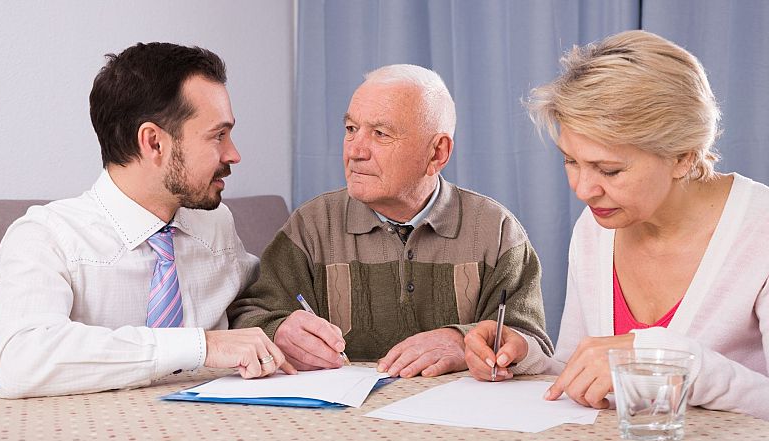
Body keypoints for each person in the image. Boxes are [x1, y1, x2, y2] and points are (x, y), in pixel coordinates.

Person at [464, 30, 769, 420]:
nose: (583, 190)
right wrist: (522, 356)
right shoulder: (596, 226)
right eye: (570, 161)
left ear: (682, 158)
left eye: (609, 169)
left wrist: (667, 359)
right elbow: (583, 375)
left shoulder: (760, 231)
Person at [0, 42, 295, 399]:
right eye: (218, 136)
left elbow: (251, 299)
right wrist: (200, 346)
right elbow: (19, 361)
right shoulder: (46, 237)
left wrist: (284, 325)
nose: (234, 154)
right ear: (153, 142)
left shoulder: (215, 225)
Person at [231, 64, 552, 378]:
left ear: (437, 153)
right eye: (351, 129)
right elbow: (247, 317)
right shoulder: (311, 227)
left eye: (380, 134)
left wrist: (462, 341)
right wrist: (278, 329)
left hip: (456, 424)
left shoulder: (495, 231)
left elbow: (533, 344)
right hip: (339, 423)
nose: (355, 151)